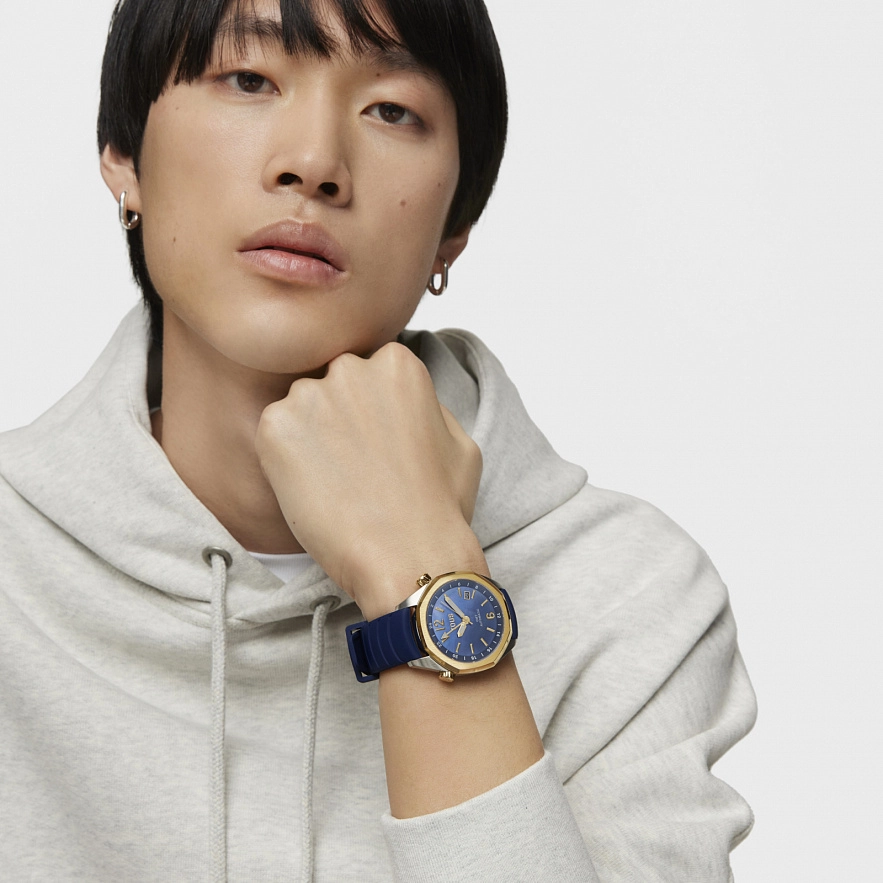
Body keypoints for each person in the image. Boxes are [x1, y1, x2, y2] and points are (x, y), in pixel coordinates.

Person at [0, 0, 756, 880]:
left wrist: (421, 574)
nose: (314, 163)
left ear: (454, 228)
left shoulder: (627, 594)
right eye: (249, 79)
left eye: (391, 110)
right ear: (123, 155)